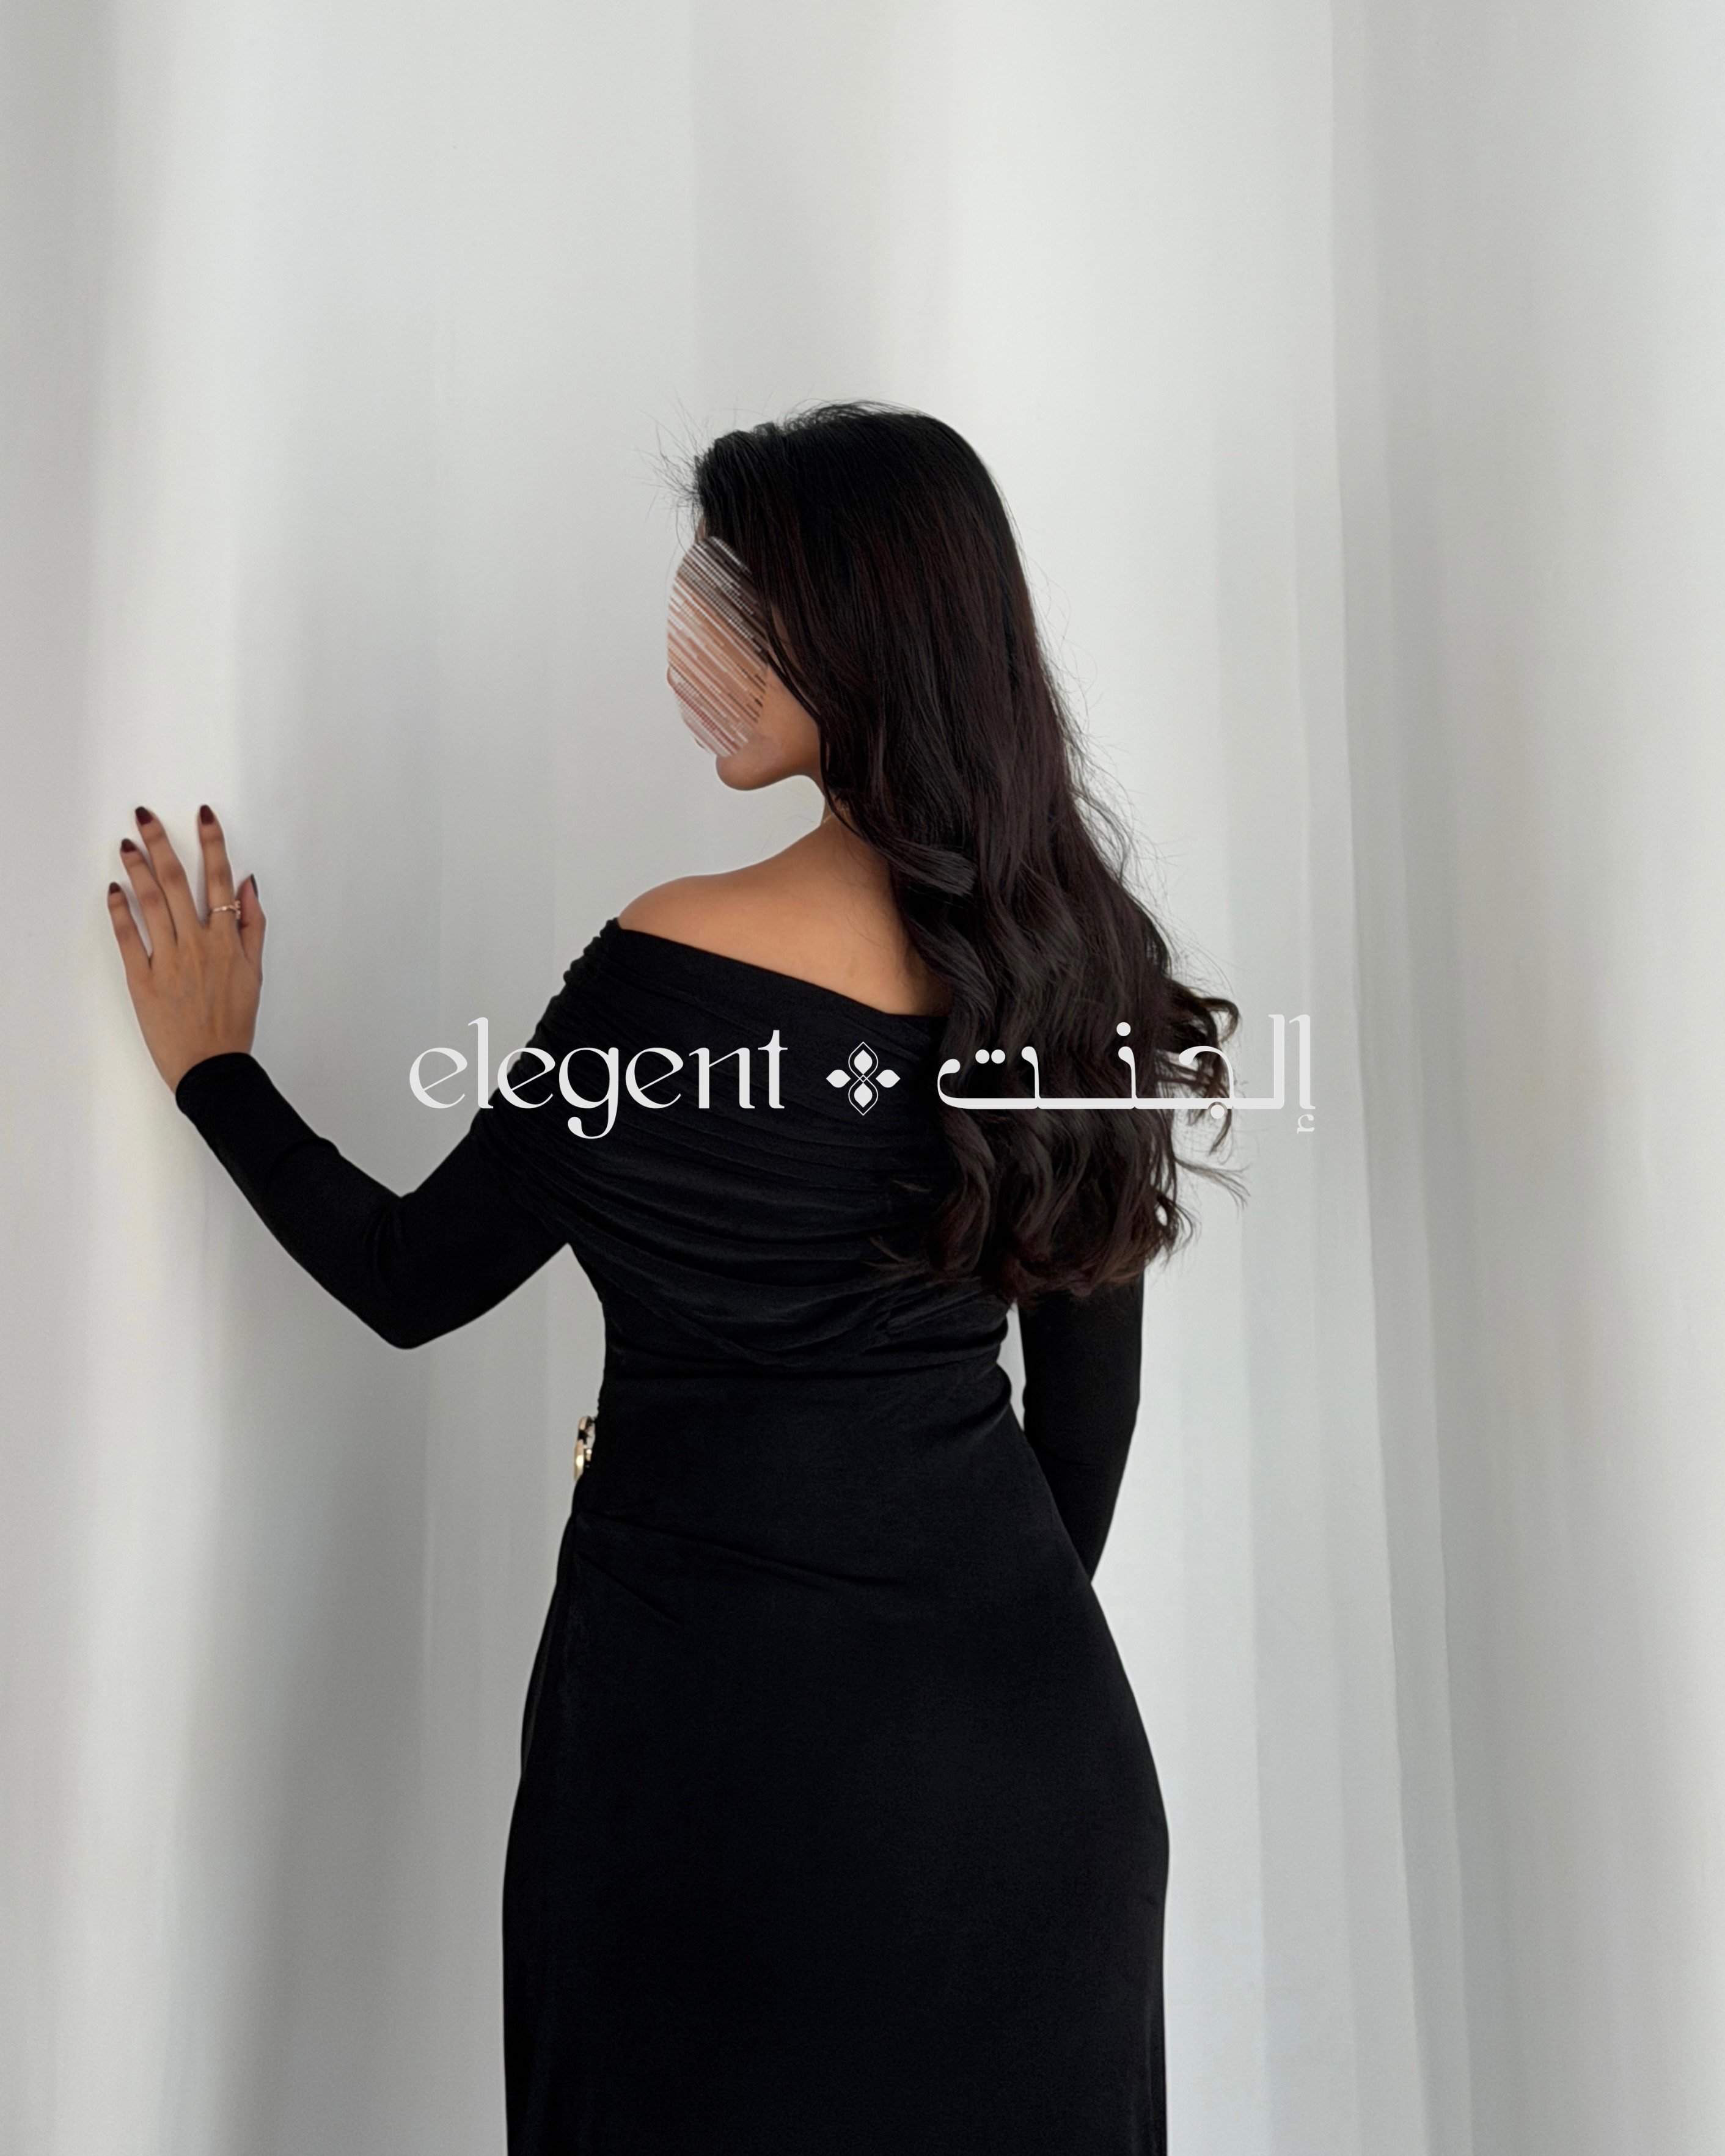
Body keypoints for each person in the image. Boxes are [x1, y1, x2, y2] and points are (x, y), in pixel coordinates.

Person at [105, 403, 1238, 2155]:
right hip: (1033, 1778)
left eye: (745, 598)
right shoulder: (1076, 958)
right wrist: (931, 1664)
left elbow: (411, 1275)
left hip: (714, 1773)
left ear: (860, 637)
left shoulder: (671, 970)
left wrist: (214, 1072)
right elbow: (1087, 1429)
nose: (702, 642)